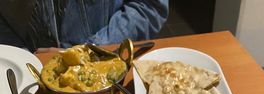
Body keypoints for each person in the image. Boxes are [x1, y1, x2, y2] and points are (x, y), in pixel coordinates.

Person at [0, 0, 168, 52]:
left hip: (107, 72)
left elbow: (148, 7)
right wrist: (22, 58)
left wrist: (89, 52)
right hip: (27, 81)